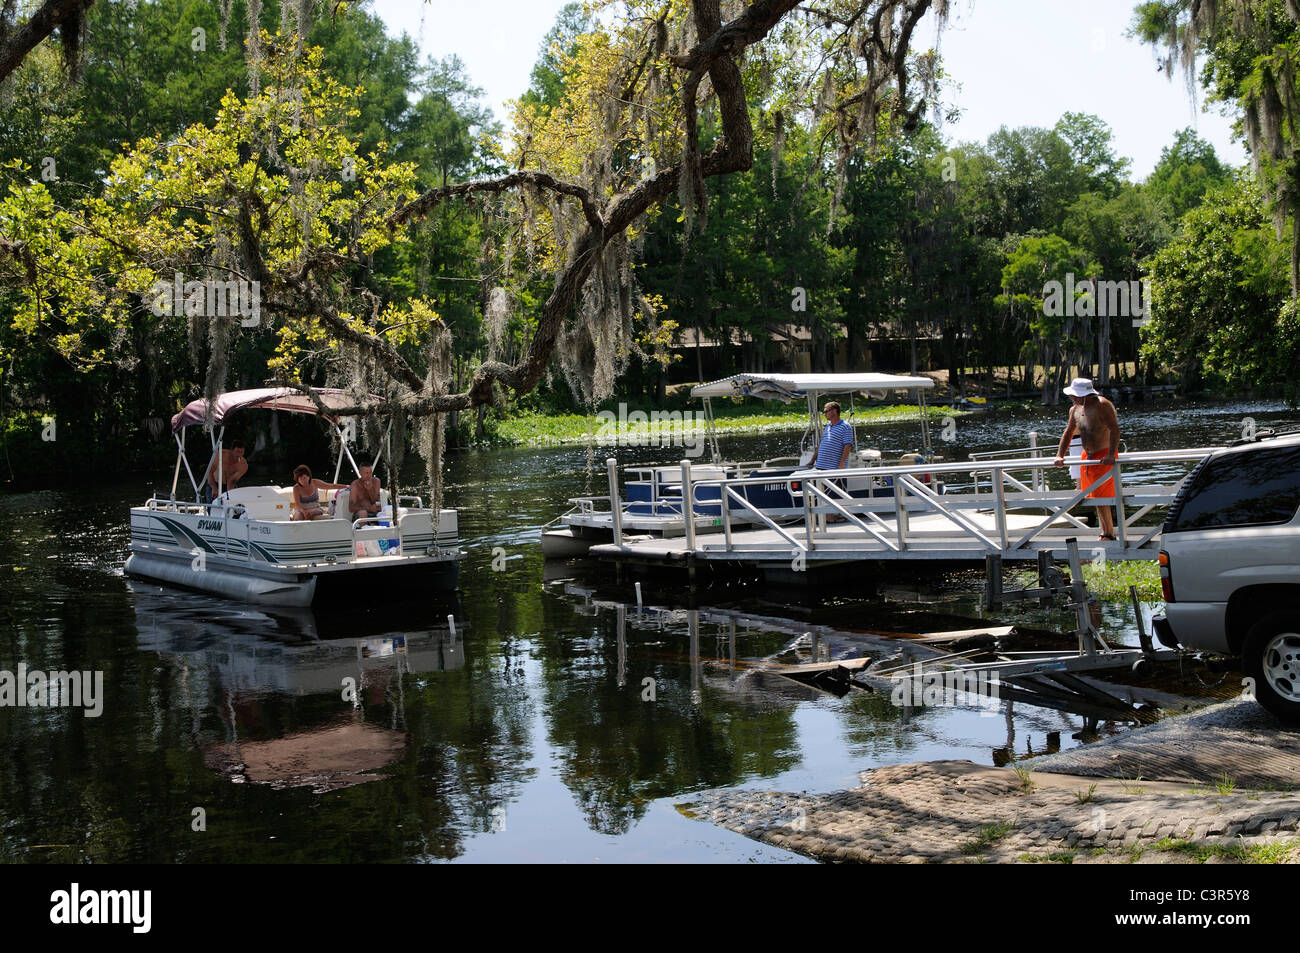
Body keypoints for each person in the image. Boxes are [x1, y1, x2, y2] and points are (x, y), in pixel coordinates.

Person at [1053, 378, 1121, 541]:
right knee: (1093, 496)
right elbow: (1068, 432)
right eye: (1072, 396)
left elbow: (1114, 429)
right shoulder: (1075, 409)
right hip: (1087, 456)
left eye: (1076, 395)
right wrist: (1059, 455)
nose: (1073, 398)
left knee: (1102, 495)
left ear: (1087, 395)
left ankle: (1109, 533)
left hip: (1104, 454)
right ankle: (1104, 531)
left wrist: (1111, 454)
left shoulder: (1103, 405)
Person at [813, 401, 855, 471]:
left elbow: (847, 446)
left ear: (834, 411)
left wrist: (842, 463)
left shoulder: (845, 426)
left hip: (834, 468)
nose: (824, 414)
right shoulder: (828, 426)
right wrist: (812, 461)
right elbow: (821, 444)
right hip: (821, 466)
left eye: (826, 411)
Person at [347, 454, 383, 521]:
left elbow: (374, 501)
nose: (368, 475)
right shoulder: (355, 485)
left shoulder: (376, 481)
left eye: (370, 473)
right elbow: (351, 508)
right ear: (360, 473)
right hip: (360, 513)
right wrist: (368, 508)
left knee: (387, 511)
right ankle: (364, 529)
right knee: (363, 513)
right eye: (366, 473)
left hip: (374, 512)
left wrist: (370, 490)